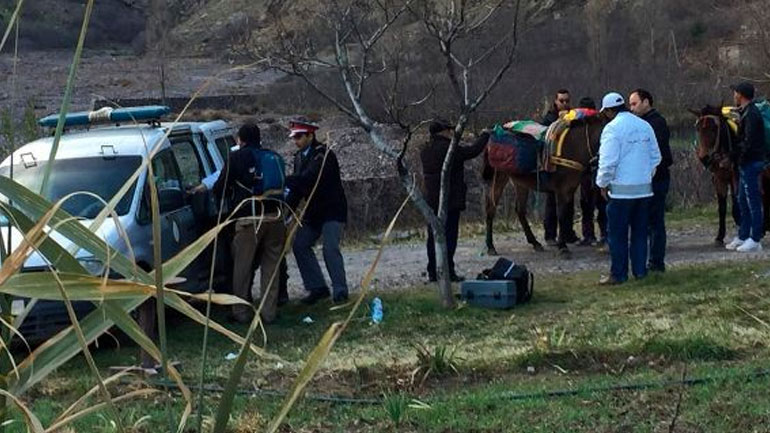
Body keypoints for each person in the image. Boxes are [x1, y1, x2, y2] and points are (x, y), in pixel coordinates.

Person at [208, 122, 286, 323]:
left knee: (242, 267)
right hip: (276, 217)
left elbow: (220, 188)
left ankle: (240, 313)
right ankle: (269, 313)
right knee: (271, 267)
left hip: (249, 220)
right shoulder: (273, 156)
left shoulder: (236, 157)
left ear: (239, 140)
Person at [596, 92, 661, 285]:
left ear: (608, 111)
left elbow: (608, 162)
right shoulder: (644, 125)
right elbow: (656, 157)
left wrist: (602, 183)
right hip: (644, 191)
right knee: (640, 233)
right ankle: (640, 272)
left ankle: (618, 274)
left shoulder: (611, 129)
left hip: (620, 193)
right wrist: (644, 175)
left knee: (617, 235)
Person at [285, 120, 350, 304]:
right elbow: (298, 189)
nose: (295, 140)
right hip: (313, 212)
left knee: (330, 248)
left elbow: (307, 178)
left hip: (332, 209)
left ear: (310, 136)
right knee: (300, 245)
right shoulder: (299, 157)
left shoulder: (323, 155)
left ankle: (340, 290)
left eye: (299, 136)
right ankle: (317, 287)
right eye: (294, 137)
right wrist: (287, 211)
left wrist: (284, 180)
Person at [421, 120, 490, 282]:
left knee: (433, 236)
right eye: (450, 130)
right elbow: (472, 151)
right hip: (449, 200)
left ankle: (433, 271)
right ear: (444, 131)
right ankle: (448, 271)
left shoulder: (425, 149)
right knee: (449, 236)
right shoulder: (449, 149)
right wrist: (485, 135)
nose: (452, 133)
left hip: (431, 199)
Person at [629, 89, 673, 271]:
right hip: (644, 179)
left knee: (655, 221)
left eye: (634, 103)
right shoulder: (640, 122)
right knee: (645, 221)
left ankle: (656, 262)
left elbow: (656, 153)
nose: (631, 108)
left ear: (646, 102)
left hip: (657, 178)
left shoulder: (657, 122)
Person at [726, 82, 766, 252]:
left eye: (735, 93)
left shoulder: (751, 114)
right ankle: (743, 235)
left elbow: (748, 141)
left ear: (740, 95)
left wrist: (738, 156)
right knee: (742, 199)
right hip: (746, 162)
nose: (734, 95)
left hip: (751, 162)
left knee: (752, 201)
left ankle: (755, 238)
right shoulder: (746, 112)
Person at [540, 89, 579, 245]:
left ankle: (567, 233)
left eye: (567, 101)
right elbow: (545, 135)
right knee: (552, 200)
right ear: (555, 101)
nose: (564, 104)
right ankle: (550, 234)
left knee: (568, 202)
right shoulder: (549, 117)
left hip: (568, 165)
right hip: (553, 163)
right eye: (561, 101)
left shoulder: (573, 116)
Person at [575, 96, 608, 247]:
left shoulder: (601, 127)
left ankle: (602, 234)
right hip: (586, 170)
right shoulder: (580, 127)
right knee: (587, 204)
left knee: (600, 204)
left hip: (596, 169)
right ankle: (591, 235)